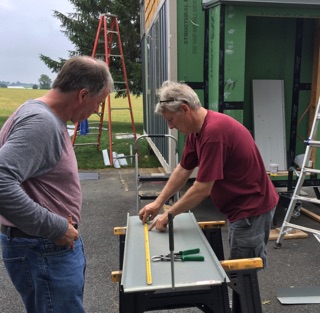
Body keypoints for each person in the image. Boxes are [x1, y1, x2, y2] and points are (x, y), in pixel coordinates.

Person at [0, 56, 114, 312]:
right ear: (83, 95)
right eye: (99, 103)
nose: (97, 110)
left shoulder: (41, 115)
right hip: (42, 248)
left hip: (45, 247)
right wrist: (55, 227)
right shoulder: (41, 123)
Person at [139, 80, 279, 267]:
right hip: (239, 207)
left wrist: (168, 215)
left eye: (170, 119)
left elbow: (202, 188)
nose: (171, 127)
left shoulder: (214, 134)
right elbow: (183, 169)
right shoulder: (196, 131)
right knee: (239, 268)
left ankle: (243, 297)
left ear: (185, 109)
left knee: (243, 272)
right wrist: (158, 202)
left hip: (251, 210)